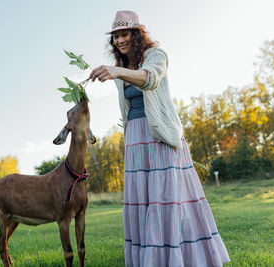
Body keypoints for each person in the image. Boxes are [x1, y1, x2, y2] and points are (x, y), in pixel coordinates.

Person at [89, 10, 230, 267]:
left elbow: (150, 79)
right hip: (135, 138)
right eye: (116, 37)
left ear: (136, 34)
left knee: (166, 198)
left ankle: (182, 258)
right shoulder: (120, 68)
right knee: (142, 200)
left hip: (160, 135)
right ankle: (151, 260)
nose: (120, 41)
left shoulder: (156, 56)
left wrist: (117, 72)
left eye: (125, 34)